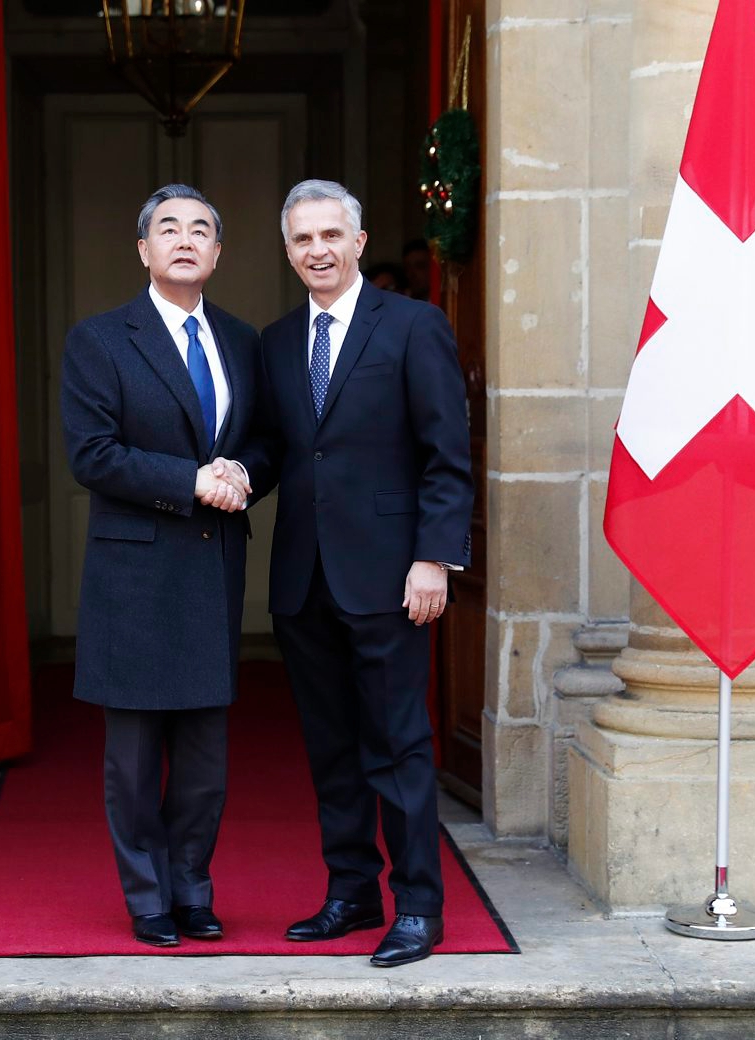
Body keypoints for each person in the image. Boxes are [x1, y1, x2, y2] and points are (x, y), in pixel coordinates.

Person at [231, 179, 474, 967]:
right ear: (288, 249)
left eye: (331, 235)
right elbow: (277, 445)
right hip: (303, 580)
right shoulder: (274, 342)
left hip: (391, 578)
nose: (318, 251)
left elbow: (446, 457)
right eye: (302, 240)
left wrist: (433, 557)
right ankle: (350, 891)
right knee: (330, 748)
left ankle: (419, 908)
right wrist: (234, 474)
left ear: (359, 242)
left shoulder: (412, 326)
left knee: (398, 746)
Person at [60, 184, 257, 948]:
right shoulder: (101, 340)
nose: (184, 239)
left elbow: (263, 439)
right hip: (133, 578)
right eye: (167, 228)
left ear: (216, 253)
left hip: (211, 570)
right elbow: (92, 453)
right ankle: (147, 898)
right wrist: (189, 480)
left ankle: (193, 888)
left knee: (205, 760)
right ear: (143, 249)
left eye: (200, 229)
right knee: (136, 761)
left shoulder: (241, 340)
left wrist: (242, 470)